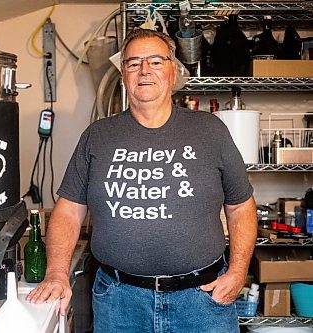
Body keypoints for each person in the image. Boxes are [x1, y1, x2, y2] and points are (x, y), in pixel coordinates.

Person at [27, 28, 257, 333]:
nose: (144, 70)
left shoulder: (210, 131)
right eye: (133, 63)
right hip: (118, 302)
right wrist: (56, 272)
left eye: (155, 61)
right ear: (123, 74)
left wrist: (239, 271)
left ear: (173, 71)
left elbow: (241, 206)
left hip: (202, 302)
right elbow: (69, 209)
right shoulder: (98, 136)